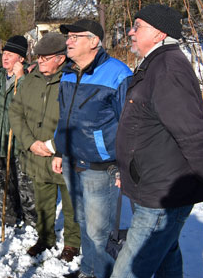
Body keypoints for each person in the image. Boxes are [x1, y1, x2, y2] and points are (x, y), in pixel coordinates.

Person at [110, 4, 203, 278]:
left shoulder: (168, 68)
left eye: (138, 27)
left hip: (162, 195)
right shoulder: (155, 65)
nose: (130, 32)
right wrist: (127, 170)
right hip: (152, 184)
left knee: (127, 271)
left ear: (160, 33)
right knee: (165, 263)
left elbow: (190, 127)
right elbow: (145, 128)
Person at [52, 19, 132, 278]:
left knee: (101, 233)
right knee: (84, 224)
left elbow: (129, 126)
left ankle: (103, 274)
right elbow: (64, 115)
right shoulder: (68, 71)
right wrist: (58, 149)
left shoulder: (118, 74)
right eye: (68, 37)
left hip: (100, 168)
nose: (68, 41)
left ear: (94, 41)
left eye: (75, 37)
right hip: (70, 160)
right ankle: (88, 271)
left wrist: (124, 167)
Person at [9, 32, 80, 261]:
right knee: (44, 201)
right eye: (38, 56)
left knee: (71, 203)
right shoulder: (30, 80)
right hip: (37, 153)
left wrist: (59, 149)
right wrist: (30, 143)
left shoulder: (73, 79)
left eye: (45, 57)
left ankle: (72, 243)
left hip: (65, 154)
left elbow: (77, 119)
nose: (39, 61)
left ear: (60, 58)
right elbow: (16, 112)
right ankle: (45, 238)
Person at [0, 35, 37, 226]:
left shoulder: (29, 78)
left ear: (21, 59)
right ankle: (7, 217)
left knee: (25, 185)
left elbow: (30, 101)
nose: (5, 58)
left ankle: (32, 221)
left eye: (10, 54)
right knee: (2, 183)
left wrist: (21, 78)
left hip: (19, 141)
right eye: (4, 54)